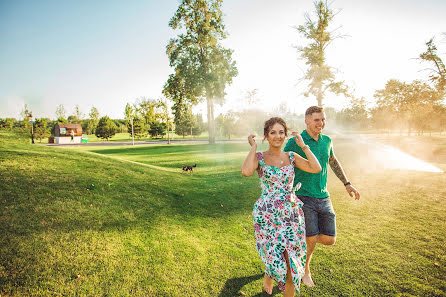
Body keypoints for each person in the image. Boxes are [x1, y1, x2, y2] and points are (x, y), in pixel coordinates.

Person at [241, 117, 322, 296]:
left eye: (281, 132)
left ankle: (277, 277)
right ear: (266, 136)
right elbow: (246, 171)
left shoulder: (291, 157)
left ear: (285, 135)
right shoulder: (260, 157)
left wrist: (303, 146)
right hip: (267, 214)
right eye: (273, 132)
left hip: (290, 214)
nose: (277, 136)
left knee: (290, 260)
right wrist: (253, 148)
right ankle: (269, 272)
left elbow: (316, 168)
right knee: (274, 254)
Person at [284, 106, 360, 287]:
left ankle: (294, 245)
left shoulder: (327, 140)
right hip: (303, 195)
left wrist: (347, 184)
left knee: (328, 239)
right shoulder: (296, 141)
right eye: (317, 120)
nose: (321, 123)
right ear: (307, 121)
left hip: (323, 195)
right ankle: (305, 271)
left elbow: (332, 161)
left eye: (323, 119)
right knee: (311, 237)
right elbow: (282, 159)